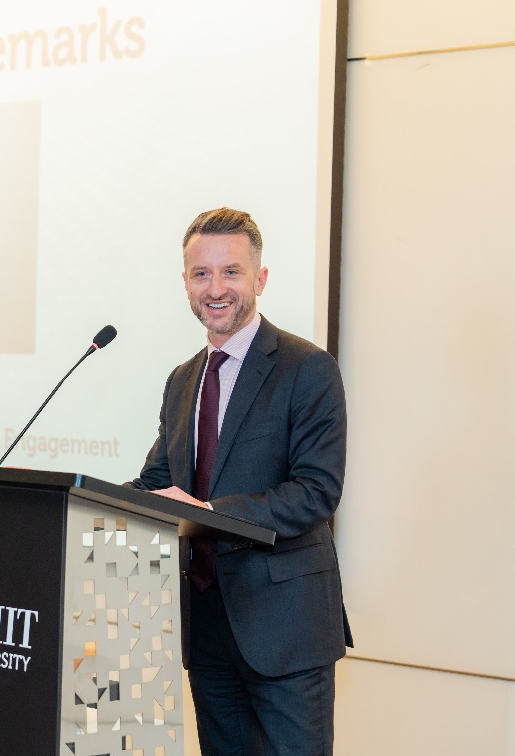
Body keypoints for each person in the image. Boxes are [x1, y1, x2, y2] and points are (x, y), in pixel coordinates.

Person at [130, 207, 351, 756]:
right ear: (185, 283)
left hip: (285, 629)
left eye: (231, 272)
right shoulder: (182, 380)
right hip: (206, 627)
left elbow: (316, 491)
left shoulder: (307, 368)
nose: (216, 288)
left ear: (260, 278)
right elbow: (157, 482)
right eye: (201, 274)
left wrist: (207, 513)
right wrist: (68, 499)